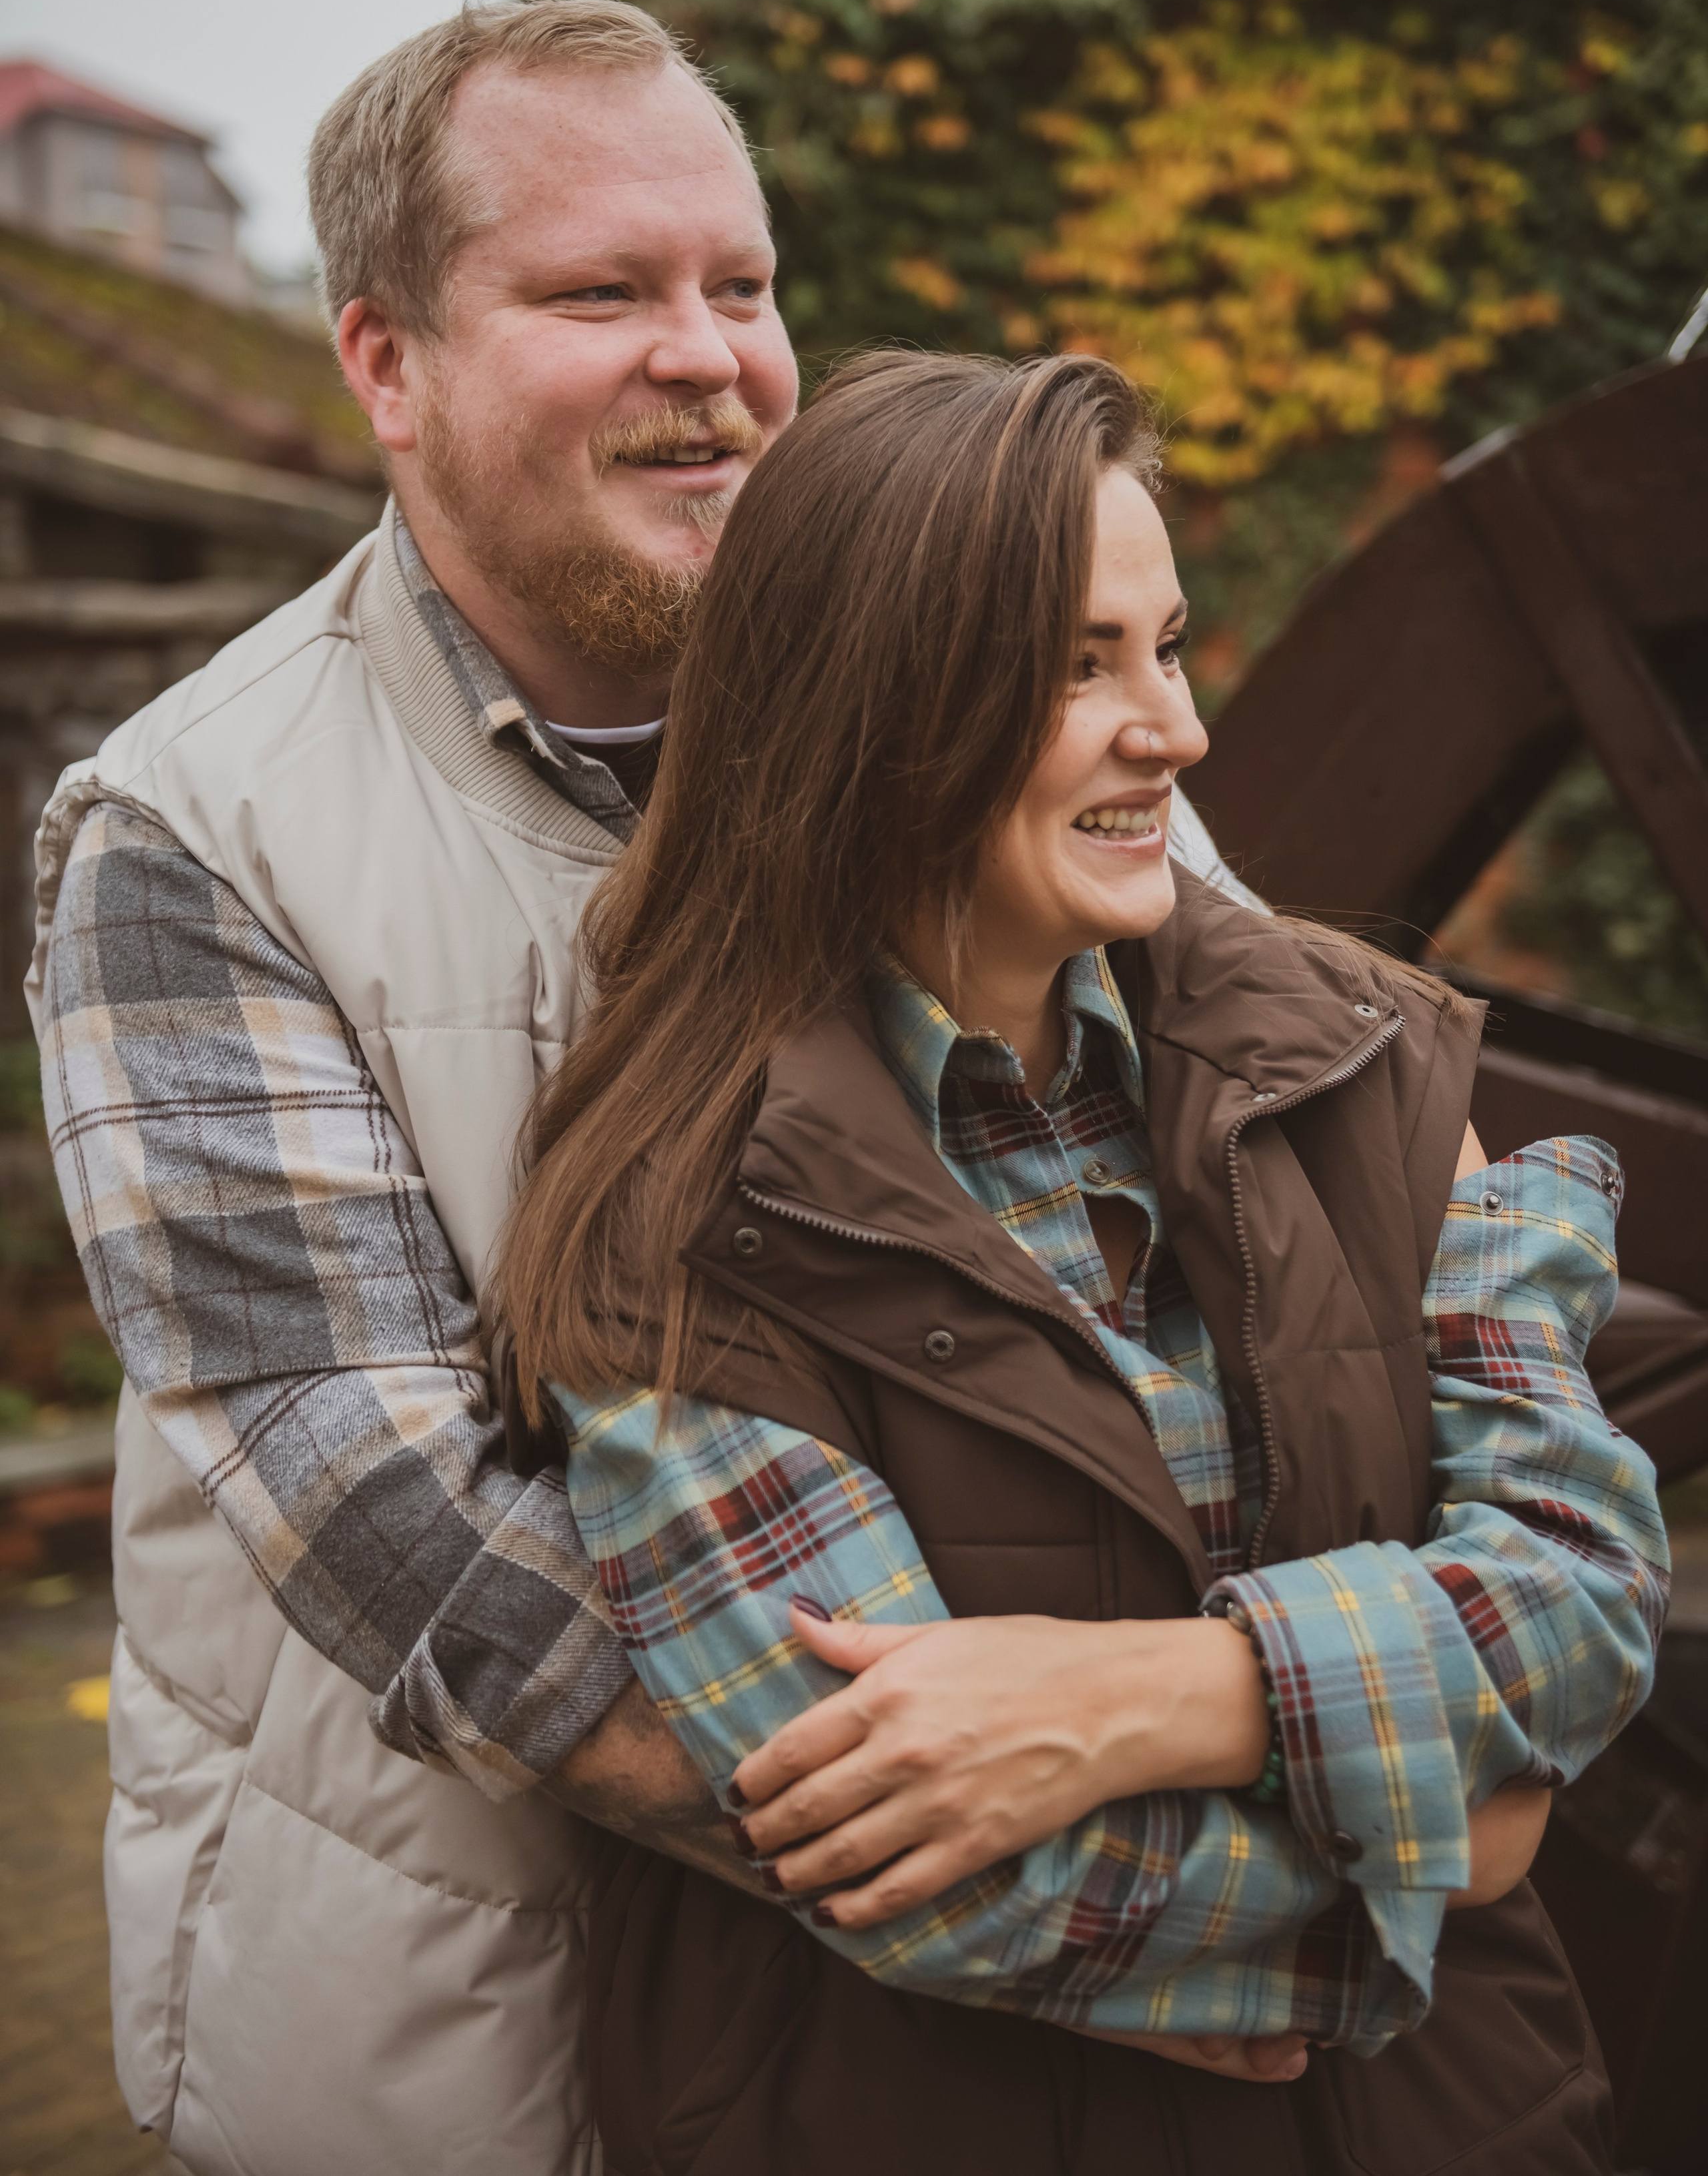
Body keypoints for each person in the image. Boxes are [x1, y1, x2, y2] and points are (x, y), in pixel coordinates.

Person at [29, 0, 1249, 2174]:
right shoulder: (195, 830)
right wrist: (1165, 1903)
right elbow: (419, 1541)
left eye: (746, 285)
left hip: (947, 2076)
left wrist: (1231, 1700)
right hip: (469, 2054)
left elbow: (1318, 1202)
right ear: (385, 363)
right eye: (603, 292)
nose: (714, 356)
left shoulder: (1013, 694)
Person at [496, 348, 1669, 2176]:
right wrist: (1451, 1819)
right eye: (1078, 665)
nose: (1178, 729)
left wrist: (1156, 1696)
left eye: (1169, 644)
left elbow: (1587, 1594)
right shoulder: (673, 1222)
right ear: (875, 710)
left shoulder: (1372, 1054)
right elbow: (938, 1880)